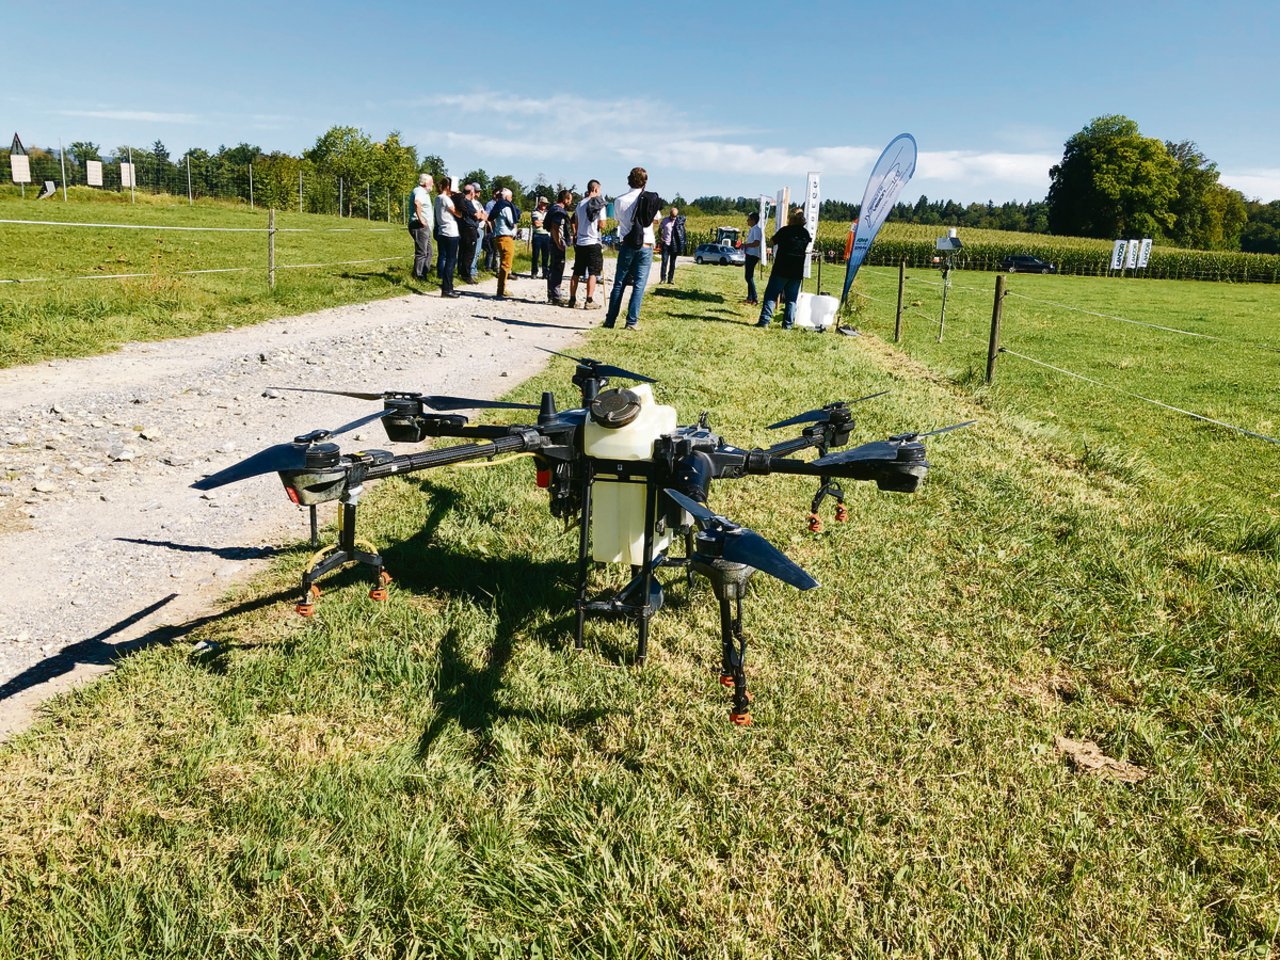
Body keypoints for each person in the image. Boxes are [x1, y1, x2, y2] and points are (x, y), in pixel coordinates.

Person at [604, 166, 664, 331]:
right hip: (646, 244)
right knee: (639, 284)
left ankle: (610, 320)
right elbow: (657, 219)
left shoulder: (619, 200)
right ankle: (631, 322)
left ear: (629, 180)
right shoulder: (650, 199)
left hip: (627, 244)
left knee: (619, 283)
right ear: (645, 182)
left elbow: (617, 219)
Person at [755, 209, 811, 329]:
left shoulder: (785, 231)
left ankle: (765, 321)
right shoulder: (805, 234)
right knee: (791, 300)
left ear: (790, 217)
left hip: (781, 268)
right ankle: (788, 325)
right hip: (796, 272)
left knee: (771, 295)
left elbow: (772, 242)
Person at [568, 179, 607, 309]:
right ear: (595, 189)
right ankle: (589, 300)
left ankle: (572, 299)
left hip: (580, 242)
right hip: (593, 241)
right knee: (593, 272)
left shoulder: (579, 204)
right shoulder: (600, 204)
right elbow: (602, 224)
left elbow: (577, 223)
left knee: (577, 272)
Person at [432, 177, 462, 298]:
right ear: (448, 187)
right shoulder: (446, 199)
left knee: (444, 257)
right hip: (451, 231)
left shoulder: (437, 198)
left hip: (441, 231)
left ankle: (447, 286)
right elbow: (458, 213)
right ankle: (447, 288)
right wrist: (459, 196)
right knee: (451, 261)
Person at [544, 189, 573, 305]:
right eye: (570, 199)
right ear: (565, 199)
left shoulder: (552, 209)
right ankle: (556, 296)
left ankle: (552, 294)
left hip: (552, 241)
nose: (571, 202)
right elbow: (555, 227)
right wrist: (559, 243)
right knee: (557, 269)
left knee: (553, 268)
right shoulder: (559, 211)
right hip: (557, 243)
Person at [490, 187, 519, 300]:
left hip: (499, 236)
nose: (511, 199)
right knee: (506, 264)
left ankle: (501, 288)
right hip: (506, 237)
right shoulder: (506, 207)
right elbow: (512, 222)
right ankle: (501, 289)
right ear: (507, 197)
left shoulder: (497, 206)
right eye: (511, 197)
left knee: (503, 262)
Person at [457, 183, 486, 284]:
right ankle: (466, 275)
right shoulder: (467, 202)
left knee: (463, 252)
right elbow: (478, 215)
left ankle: (462, 272)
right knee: (469, 253)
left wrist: (481, 214)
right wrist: (481, 214)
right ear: (472, 193)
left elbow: (482, 215)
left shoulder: (461, 201)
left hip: (464, 229)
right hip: (469, 229)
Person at [408, 173, 434, 282]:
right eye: (431, 182)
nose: (433, 184)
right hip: (419, 226)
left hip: (425, 227)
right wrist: (421, 219)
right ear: (425, 183)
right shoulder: (419, 191)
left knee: (429, 251)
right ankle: (418, 275)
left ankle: (423, 273)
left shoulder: (424, 193)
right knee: (422, 252)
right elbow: (417, 203)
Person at [657, 206, 685, 284]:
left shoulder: (678, 222)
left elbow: (682, 233)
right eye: (672, 216)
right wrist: (661, 238)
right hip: (666, 244)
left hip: (674, 245)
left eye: (675, 216)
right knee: (664, 262)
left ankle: (670, 279)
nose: (673, 218)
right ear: (670, 214)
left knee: (672, 263)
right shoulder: (665, 220)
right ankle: (663, 279)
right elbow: (659, 230)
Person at [742, 211, 763, 305]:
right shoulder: (752, 229)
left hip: (753, 255)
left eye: (749, 219)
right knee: (748, 276)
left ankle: (755, 298)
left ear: (753, 220)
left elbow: (756, 243)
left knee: (748, 277)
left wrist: (746, 245)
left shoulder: (756, 230)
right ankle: (750, 298)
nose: (747, 221)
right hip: (750, 254)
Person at [530, 197, 551, 278]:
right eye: (543, 203)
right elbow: (536, 224)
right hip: (537, 235)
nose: (544, 205)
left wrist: (542, 222)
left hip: (546, 235)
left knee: (546, 255)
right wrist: (545, 222)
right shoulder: (535, 212)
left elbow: (549, 223)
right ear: (540, 203)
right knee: (535, 255)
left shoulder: (547, 213)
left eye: (546, 204)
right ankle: (534, 272)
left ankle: (545, 272)